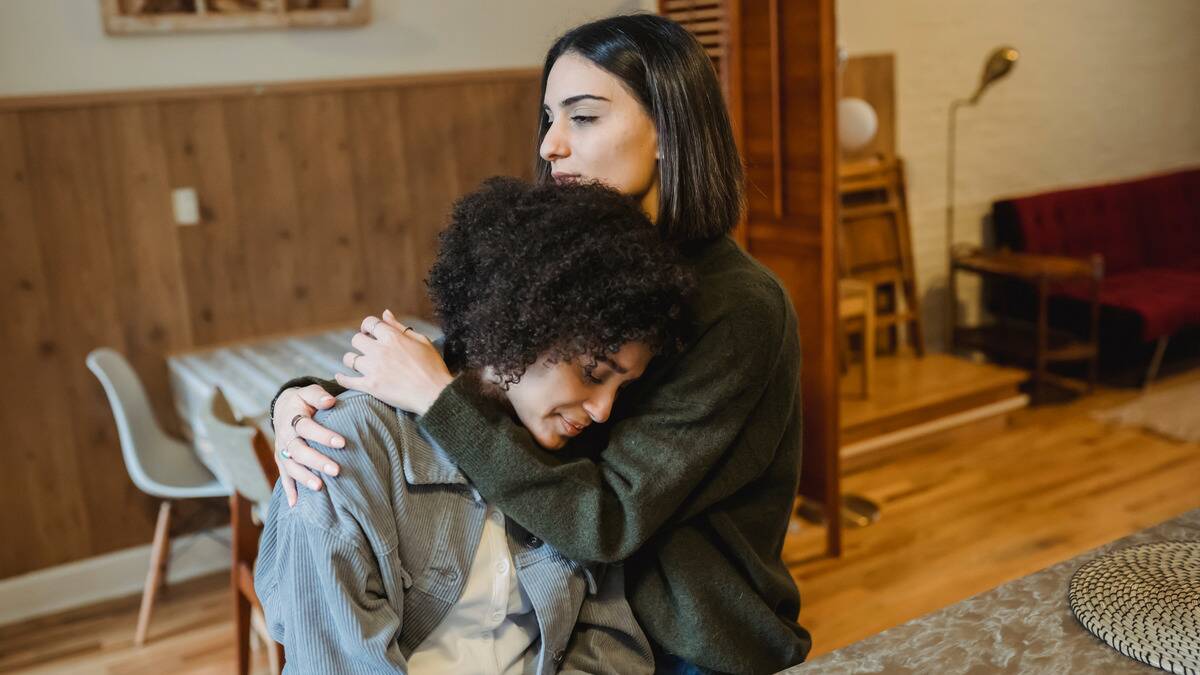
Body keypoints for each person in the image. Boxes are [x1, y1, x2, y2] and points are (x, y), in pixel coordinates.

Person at [269, 14, 812, 674]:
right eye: (547, 119)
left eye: (582, 117)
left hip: (689, 640)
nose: (552, 144)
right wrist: (305, 400)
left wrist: (436, 397)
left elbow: (606, 518)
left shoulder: (742, 306)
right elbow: (492, 364)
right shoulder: (590, 268)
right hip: (577, 606)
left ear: (669, 129)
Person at [256, 177, 694, 674]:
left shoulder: (577, 457)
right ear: (524, 323)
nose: (603, 410)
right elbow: (335, 663)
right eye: (593, 374)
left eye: (623, 387)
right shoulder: (341, 447)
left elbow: (609, 641)